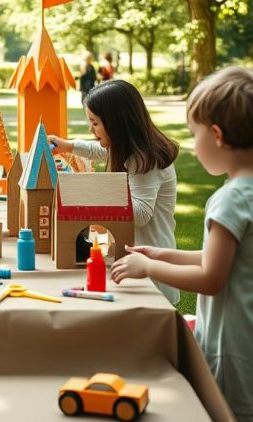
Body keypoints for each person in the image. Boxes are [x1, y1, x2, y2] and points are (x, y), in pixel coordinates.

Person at [111, 67, 253, 422]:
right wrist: (164, 252)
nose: (193, 146)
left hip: (234, 346)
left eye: (195, 136)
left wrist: (148, 266)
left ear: (218, 136)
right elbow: (224, 258)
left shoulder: (228, 200)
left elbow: (213, 278)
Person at [48, 78, 180, 304]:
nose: (91, 129)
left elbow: (140, 215)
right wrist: (68, 146)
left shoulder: (144, 159)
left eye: (95, 123)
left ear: (117, 123)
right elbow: (99, 150)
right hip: (134, 256)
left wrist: (95, 190)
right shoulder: (128, 146)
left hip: (151, 265)